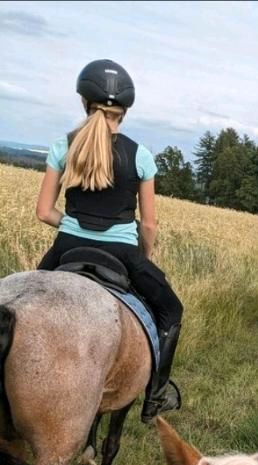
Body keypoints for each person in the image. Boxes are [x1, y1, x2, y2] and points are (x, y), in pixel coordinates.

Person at [35, 59, 183, 424]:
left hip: (66, 247)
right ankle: (154, 398)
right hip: (123, 252)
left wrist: (71, 224)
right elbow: (148, 224)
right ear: (126, 111)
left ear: (84, 102)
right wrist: (142, 256)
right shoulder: (141, 155)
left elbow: (43, 212)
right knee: (171, 311)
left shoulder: (62, 146)